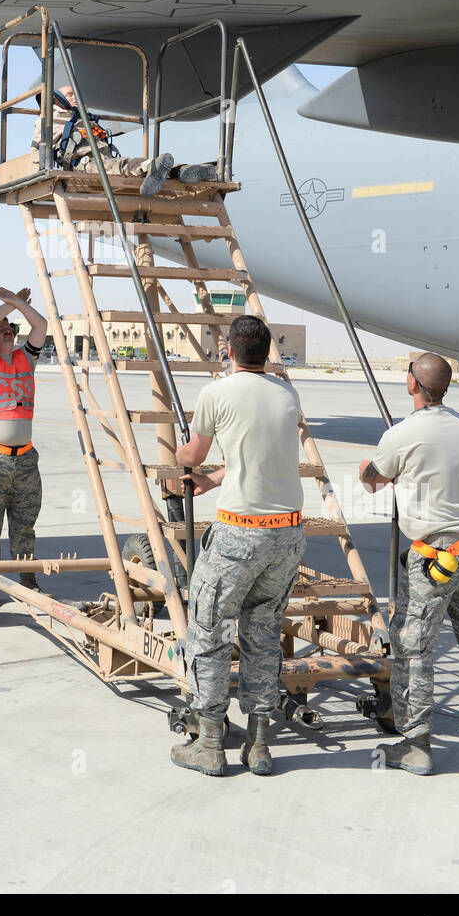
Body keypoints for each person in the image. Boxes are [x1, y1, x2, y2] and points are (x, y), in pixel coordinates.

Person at [359, 353, 459, 776]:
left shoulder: (401, 434)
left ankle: (416, 746)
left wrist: (368, 469)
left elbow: (374, 478)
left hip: (436, 557)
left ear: (413, 384)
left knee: (414, 649)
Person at [169, 315, 305, 777]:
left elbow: (193, 454)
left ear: (229, 349)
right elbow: (253, 458)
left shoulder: (216, 392)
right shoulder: (287, 395)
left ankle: (209, 742)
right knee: (263, 633)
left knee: (208, 630)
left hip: (239, 533)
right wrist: (216, 481)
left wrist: (185, 458)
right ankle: (259, 743)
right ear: (267, 353)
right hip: (286, 534)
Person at [0, 286, 48, 608]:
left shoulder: (25, 360)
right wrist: (8, 306)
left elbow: (42, 326)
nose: (7, 331)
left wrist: (16, 304)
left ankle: (28, 579)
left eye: (11, 329)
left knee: (24, 523)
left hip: (25, 458)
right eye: (3, 330)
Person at [32, 84, 217, 195]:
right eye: (69, 95)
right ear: (57, 100)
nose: (74, 97)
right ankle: (157, 168)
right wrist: (35, 174)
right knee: (123, 166)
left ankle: (181, 171)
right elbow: (36, 150)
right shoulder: (49, 119)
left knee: (125, 164)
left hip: (104, 160)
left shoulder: (84, 116)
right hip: (84, 164)